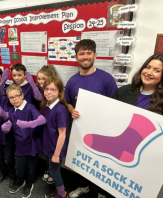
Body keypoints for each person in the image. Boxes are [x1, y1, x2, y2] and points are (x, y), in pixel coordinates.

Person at [65, 39, 117, 198]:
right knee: (82, 164)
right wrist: (72, 109)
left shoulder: (106, 79)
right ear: (76, 57)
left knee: (100, 165)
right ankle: (84, 187)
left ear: (95, 55)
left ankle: (99, 193)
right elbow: (67, 102)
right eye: (81, 53)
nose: (85, 56)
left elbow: (115, 107)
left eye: (88, 53)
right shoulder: (72, 81)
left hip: (102, 132)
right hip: (80, 132)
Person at [113, 53, 163, 163]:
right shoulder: (123, 92)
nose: (149, 73)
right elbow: (110, 119)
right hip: (119, 154)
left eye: (157, 70)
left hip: (148, 160)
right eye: (147, 67)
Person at [0, 84, 46, 198]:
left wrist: (29, 124)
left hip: (32, 144)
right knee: (19, 168)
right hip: (19, 145)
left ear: (22, 95)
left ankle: (29, 185)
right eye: (11, 97)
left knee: (31, 168)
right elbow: (11, 123)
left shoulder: (30, 107)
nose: (14, 99)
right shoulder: (11, 111)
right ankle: (20, 182)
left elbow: (42, 119)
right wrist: (6, 127)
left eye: (17, 96)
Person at [41, 76, 69, 198]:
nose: (48, 92)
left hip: (56, 148)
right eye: (46, 89)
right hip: (49, 144)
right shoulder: (47, 105)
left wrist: (57, 154)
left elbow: (62, 134)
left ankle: (62, 193)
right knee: (51, 167)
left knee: (54, 171)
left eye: (53, 89)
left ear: (59, 91)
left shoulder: (60, 110)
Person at [36, 64, 58, 184]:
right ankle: (48, 169)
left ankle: (53, 171)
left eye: (43, 79)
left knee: (51, 149)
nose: (40, 81)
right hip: (41, 124)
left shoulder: (53, 91)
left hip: (51, 126)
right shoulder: (38, 88)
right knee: (45, 148)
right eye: (39, 78)